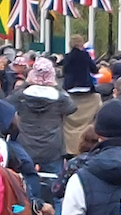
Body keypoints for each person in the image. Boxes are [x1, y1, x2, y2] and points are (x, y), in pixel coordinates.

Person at [11, 60, 76, 203]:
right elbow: (71, 107)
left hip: (26, 146)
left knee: (23, 189)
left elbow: (8, 102)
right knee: (58, 192)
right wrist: (56, 86)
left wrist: (27, 83)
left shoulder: (21, 96)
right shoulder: (59, 98)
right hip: (52, 147)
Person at [60, 35, 101, 154]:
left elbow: (65, 71)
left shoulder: (67, 57)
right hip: (86, 87)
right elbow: (94, 70)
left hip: (71, 88)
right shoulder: (85, 55)